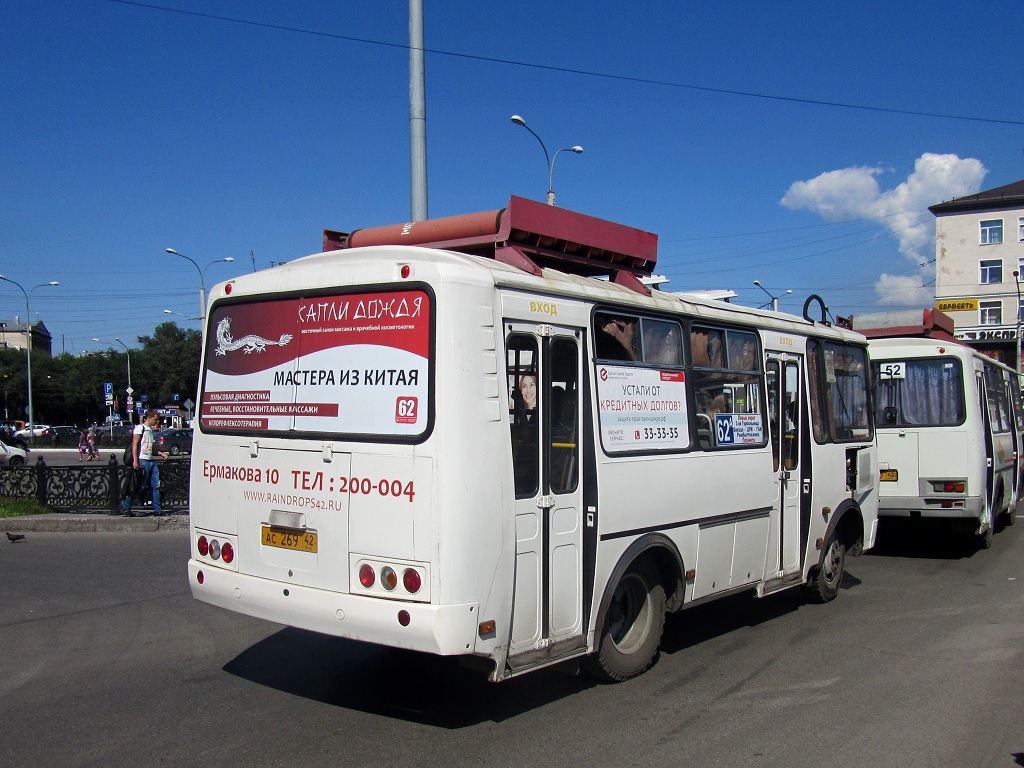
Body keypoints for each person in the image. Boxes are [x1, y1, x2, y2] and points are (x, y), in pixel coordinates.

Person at [121, 409, 169, 516]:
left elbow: (150, 447)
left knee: (155, 485)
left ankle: (157, 509)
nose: (157, 422)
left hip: (150, 460)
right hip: (142, 460)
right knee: (139, 486)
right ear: (148, 418)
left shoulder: (151, 430)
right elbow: (135, 444)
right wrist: (135, 460)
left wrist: (161, 454)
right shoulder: (140, 428)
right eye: (155, 420)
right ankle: (125, 506)